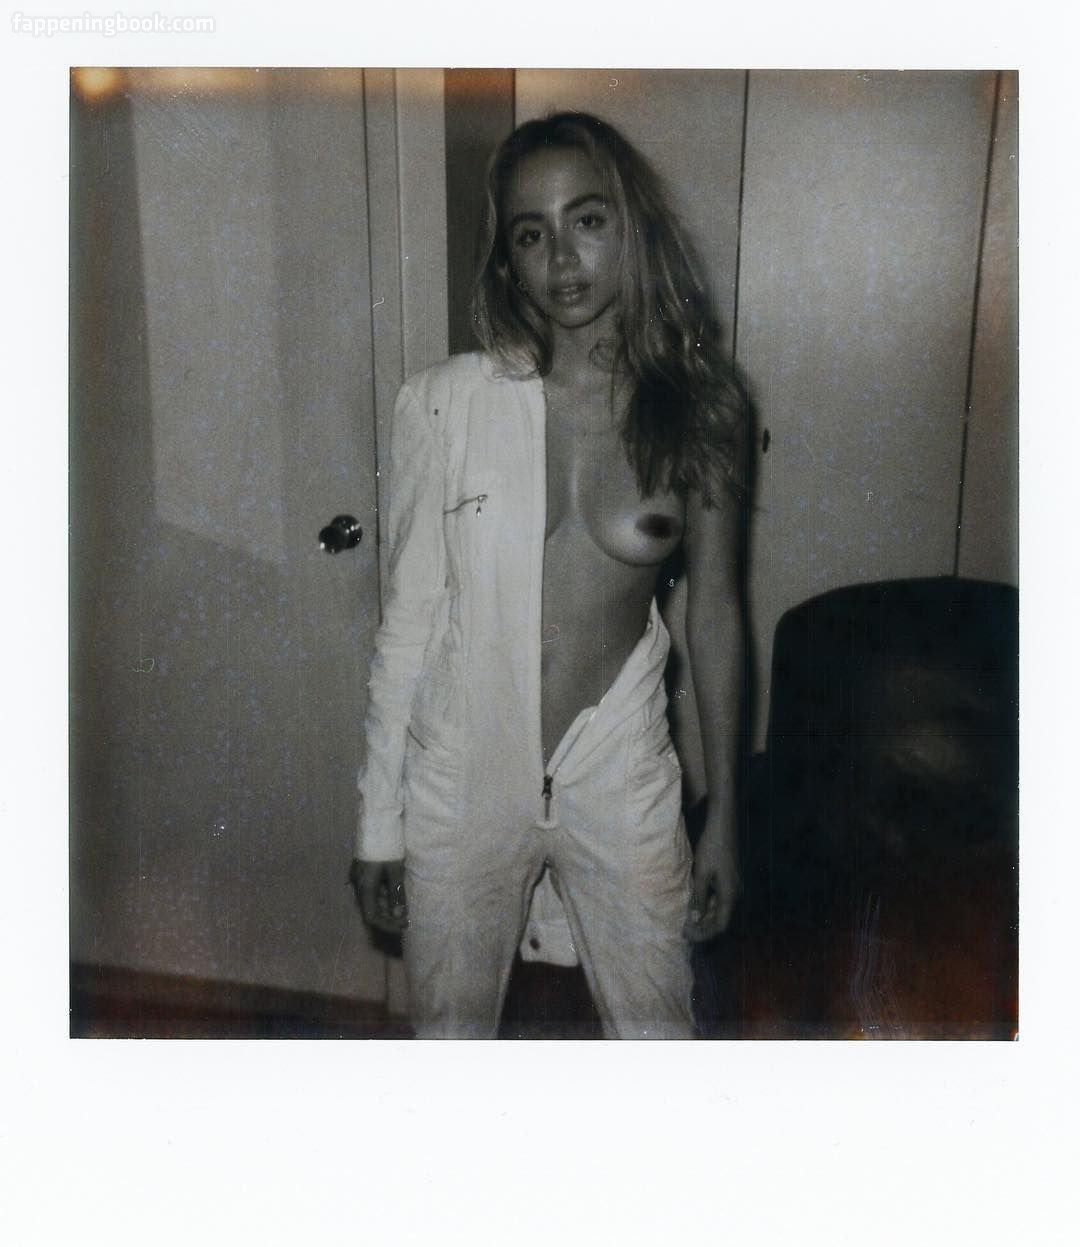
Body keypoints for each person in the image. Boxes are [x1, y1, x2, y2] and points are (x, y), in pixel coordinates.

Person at [351, 111, 747, 1038]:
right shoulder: (444, 403)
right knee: (448, 1039)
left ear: (632, 225)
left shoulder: (706, 409)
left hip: (619, 762)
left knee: (660, 1030)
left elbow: (718, 616)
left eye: (588, 220)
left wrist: (727, 815)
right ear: (508, 261)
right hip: (463, 769)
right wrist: (378, 821)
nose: (562, 257)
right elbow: (408, 622)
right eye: (532, 234)